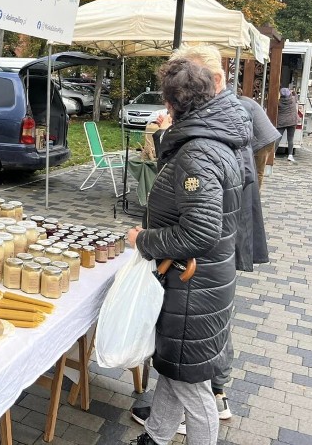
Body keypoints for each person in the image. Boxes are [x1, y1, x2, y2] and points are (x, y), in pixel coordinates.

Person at [127, 58, 246, 445]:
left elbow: (199, 231)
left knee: (193, 389)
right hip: (200, 283)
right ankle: (156, 438)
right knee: (176, 371)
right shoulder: (211, 138)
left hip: (194, 287)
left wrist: (143, 241)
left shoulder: (197, 152)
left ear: (173, 103)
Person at [237, 91, 281, 191]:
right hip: (269, 137)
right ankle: (254, 196)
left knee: (257, 172)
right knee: (257, 171)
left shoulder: (241, 104)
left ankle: (255, 197)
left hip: (263, 140)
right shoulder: (245, 100)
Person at [276, 87, 298, 162]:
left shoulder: (278, 102)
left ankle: (272, 154)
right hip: (292, 121)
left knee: (278, 138)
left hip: (282, 122)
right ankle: (290, 155)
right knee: (290, 139)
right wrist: (293, 91)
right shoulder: (293, 99)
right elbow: (296, 95)